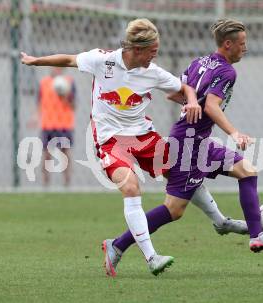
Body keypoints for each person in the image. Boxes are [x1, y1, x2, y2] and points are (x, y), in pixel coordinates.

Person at [21, 18, 246, 277]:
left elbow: (184, 87)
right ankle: (151, 257)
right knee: (130, 186)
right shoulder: (102, 60)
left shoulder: (152, 72)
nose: (156, 55)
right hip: (110, 140)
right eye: (153, 50)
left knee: (180, 170)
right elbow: (69, 60)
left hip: (144, 136)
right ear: (137, 49)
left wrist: (192, 100)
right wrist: (35, 61)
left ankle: (219, 221)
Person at [106, 18, 263, 271]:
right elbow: (211, 105)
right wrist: (234, 133)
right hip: (188, 146)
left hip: (197, 140)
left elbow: (174, 93)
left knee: (247, 171)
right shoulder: (227, 71)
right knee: (173, 209)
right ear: (228, 44)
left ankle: (254, 234)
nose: (245, 48)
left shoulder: (199, 62)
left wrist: (193, 104)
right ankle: (117, 245)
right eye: (242, 44)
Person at [34, 67, 75, 186]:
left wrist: (65, 96)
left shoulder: (69, 82)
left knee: (65, 154)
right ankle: (46, 184)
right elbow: (39, 103)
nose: (57, 69)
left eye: (59, 67)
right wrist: (35, 117)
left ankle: (67, 184)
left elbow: (73, 105)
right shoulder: (44, 82)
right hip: (48, 124)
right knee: (46, 155)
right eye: (54, 66)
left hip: (64, 124)